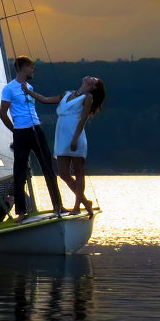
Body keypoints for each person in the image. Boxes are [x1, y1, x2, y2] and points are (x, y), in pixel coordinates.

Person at [24, 76, 105, 216]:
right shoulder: (67, 94)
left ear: (94, 87)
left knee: (78, 171)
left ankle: (77, 206)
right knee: (63, 173)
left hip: (76, 135)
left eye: (94, 80)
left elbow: (84, 118)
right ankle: (86, 202)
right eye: (91, 77)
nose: (91, 79)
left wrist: (75, 138)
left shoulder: (88, 97)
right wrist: (28, 91)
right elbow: (46, 99)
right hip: (61, 136)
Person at [0, 56, 64, 222]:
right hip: (21, 131)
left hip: (37, 129)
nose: (33, 70)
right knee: (19, 172)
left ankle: (58, 205)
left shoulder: (30, 87)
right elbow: (3, 114)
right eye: (31, 67)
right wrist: (15, 131)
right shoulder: (9, 88)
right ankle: (21, 211)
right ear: (22, 68)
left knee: (48, 168)